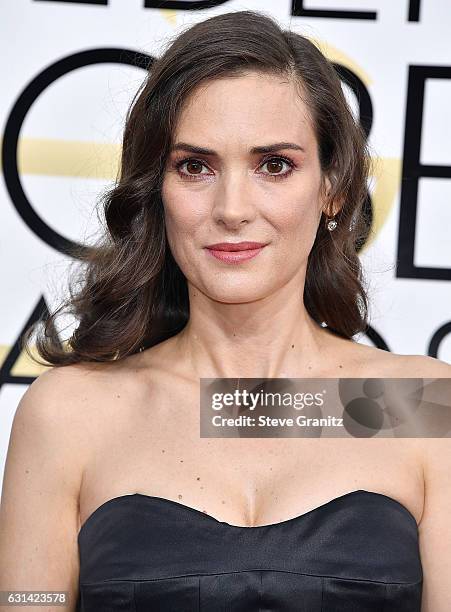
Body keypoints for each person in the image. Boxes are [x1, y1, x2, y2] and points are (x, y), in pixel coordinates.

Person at [0, 9, 450, 612]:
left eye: (274, 165)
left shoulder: (419, 406)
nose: (232, 207)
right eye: (196, 167)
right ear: (155, 190)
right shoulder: (69, 416)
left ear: (333, 188)